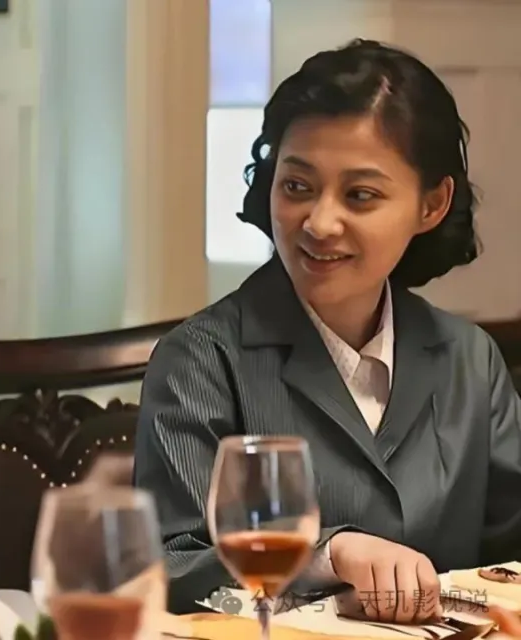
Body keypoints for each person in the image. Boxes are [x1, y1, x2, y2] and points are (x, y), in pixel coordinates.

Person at [134, 39, 521, 623]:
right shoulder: (202, 360)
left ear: (432, 204)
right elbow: (170, 570)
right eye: (297, 187)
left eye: (360, 195)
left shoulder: (470, 359)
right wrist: (325, 554)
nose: (319, 222)